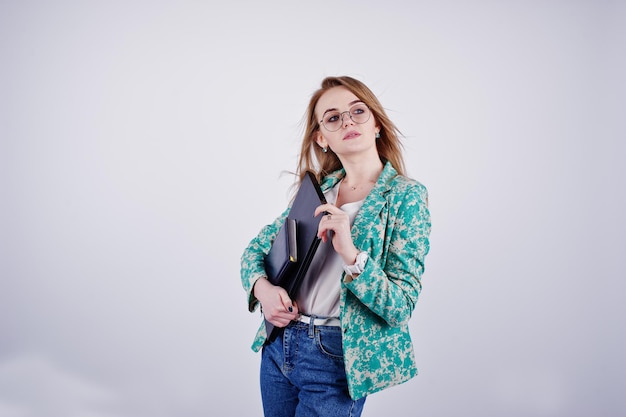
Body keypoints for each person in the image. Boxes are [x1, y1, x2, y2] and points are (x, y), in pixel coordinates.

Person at [240, 75, 431, 417]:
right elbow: (255, 251)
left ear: (376, 124)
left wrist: (352, 255)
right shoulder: (316, 191)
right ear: (321, 138)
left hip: (337, 356)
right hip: (280, 345)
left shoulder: (406, 196)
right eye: (332, 117)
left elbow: (401, 305)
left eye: (357, 111)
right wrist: (264, 289)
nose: (347, 121)